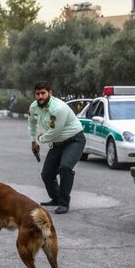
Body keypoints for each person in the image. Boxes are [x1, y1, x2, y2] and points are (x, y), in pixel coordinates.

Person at [28, 81, 86, 215]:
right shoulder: (34, 107)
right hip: (57, 143)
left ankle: (64, 203)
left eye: (43, 93)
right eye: (38, 94)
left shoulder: (58, 108)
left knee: (65, 168)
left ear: (50, 93)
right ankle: (56, 198)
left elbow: (55, 131)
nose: (40, 96)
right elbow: (32, 124)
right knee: (47, 174)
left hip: (74, 140)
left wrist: (39, 139)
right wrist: (33, 141)